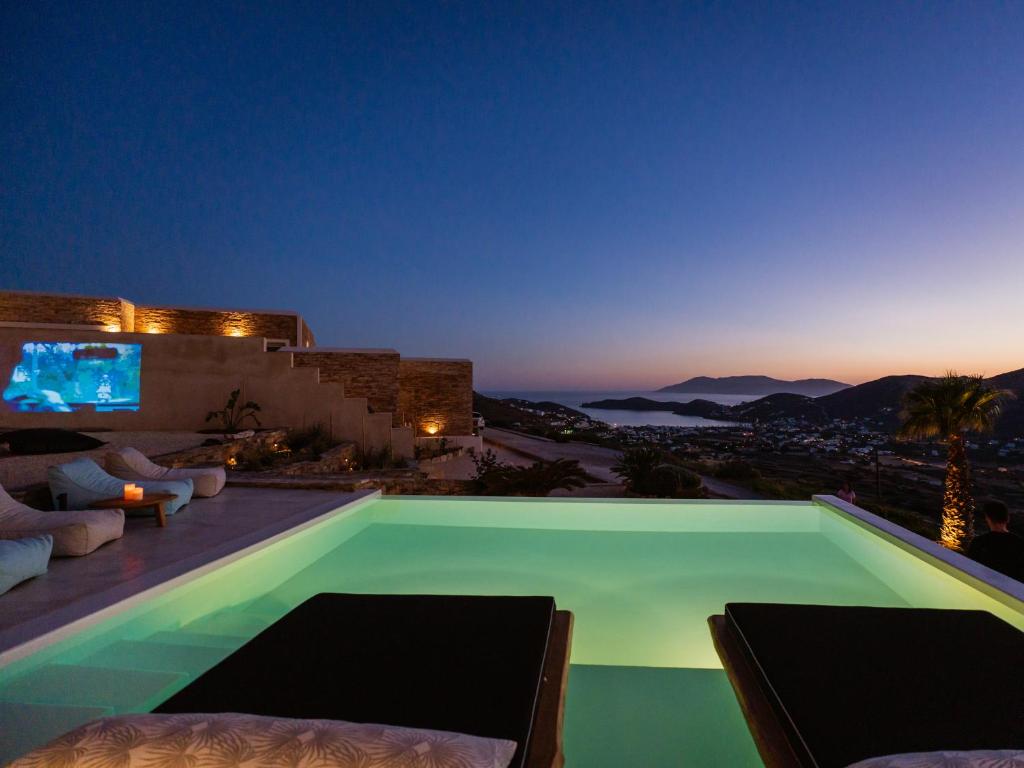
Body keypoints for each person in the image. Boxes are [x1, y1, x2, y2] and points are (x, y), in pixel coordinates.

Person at [967, 500, 1024, 582]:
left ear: (988, 519)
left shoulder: (979, 543)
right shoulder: (1019, 544)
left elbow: (970, 569)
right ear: (1007, 518)